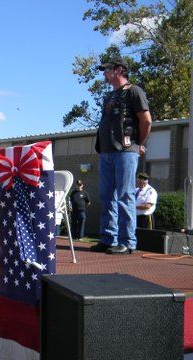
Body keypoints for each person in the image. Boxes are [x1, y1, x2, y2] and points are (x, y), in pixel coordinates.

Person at [90, 57, 152, 255]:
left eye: (107, 69)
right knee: (106, 196)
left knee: (125, 195)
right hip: (107, 152)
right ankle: (109, 238)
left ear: (119, 70)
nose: (104, 73)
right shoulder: (109, 96)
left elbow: (146, 120)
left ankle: (127, 241)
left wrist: (137, 144)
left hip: (125, 152)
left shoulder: (134, 91)